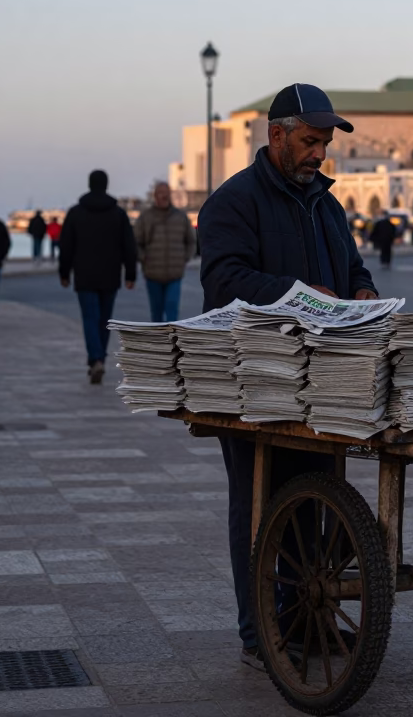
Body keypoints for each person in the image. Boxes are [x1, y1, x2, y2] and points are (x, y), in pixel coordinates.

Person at [198, 82, 377, 673]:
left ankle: (309, 620)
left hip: (323, 381)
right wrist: (299, 296)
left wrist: (362, 291)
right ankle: (261, 633)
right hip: (256, 380)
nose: (318, 154)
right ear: (275, 135)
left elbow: (351, 264)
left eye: (324, 144)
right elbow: (224, 280)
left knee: (314, 502)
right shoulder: (233, 202)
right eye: (309, 141)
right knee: (258, 504)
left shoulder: (326, 204)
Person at [59, 170, 137, 383]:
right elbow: (129, 246)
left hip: (84, 275)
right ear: (106, 185)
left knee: (89, 318)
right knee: (104, 319)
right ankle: (99, 358)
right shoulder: (118, 214)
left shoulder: (75, 213)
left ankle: (95, 359)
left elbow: (66, 246)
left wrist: (64, 272)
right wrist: (130, 273)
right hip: (110, 274)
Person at [134, 181, 196, 322]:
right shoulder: (146, 217)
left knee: (172, 311)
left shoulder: (180, 217)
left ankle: (172, 343)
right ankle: (158, 343)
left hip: (174, 274)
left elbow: (191, 241)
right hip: (152, 274)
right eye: (160, 193)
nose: (164, 197)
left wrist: (184, 258)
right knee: (156, 314)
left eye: (166, 193)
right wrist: (144, 258)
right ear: (155, 196)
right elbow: (136, 243)